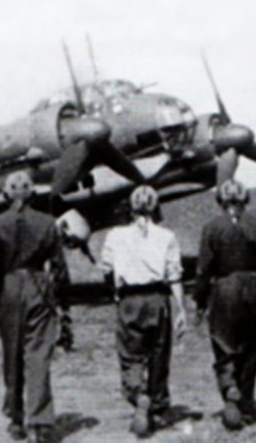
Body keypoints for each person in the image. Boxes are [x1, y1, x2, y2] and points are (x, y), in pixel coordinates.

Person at [0, 170, 71, 443]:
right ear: (32, 192)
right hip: (39, 288)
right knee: (38, 355)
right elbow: (60, 269)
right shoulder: (47, 223)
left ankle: (16, 419)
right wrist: (65, 305)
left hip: (7, 291)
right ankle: (40, 423)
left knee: (12, 354)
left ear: (6, 194)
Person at [193, 179, 256, 430]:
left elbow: (203, 268)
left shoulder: (211, 228)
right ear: (245, 200)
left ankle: (229, 385)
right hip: (253, 289)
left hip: (223, 289)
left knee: (223, 343)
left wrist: (199, 300)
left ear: (221, 201)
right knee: (251, 347)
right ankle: (246, 401)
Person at [100, 185, 187, 437]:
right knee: (159, 352)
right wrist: (180, 309)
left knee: (130, 353)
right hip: (158, 299)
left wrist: (115, 292)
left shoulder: (115, 235)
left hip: (129, 299)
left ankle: (138, 392)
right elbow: (174, 276)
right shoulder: (167, 236)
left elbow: (107, 268)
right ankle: (156, 400)